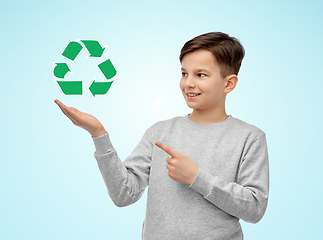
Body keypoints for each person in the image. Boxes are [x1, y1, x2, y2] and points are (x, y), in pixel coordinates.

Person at [54, 32, 269, 240]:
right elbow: (123, 194)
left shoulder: (250, 138)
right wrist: (98, 134)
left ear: (229, 83)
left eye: (200, 75)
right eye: (184, 73)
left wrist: (197, 178)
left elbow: (255, 208)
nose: (188, 83)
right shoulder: (160, 132)